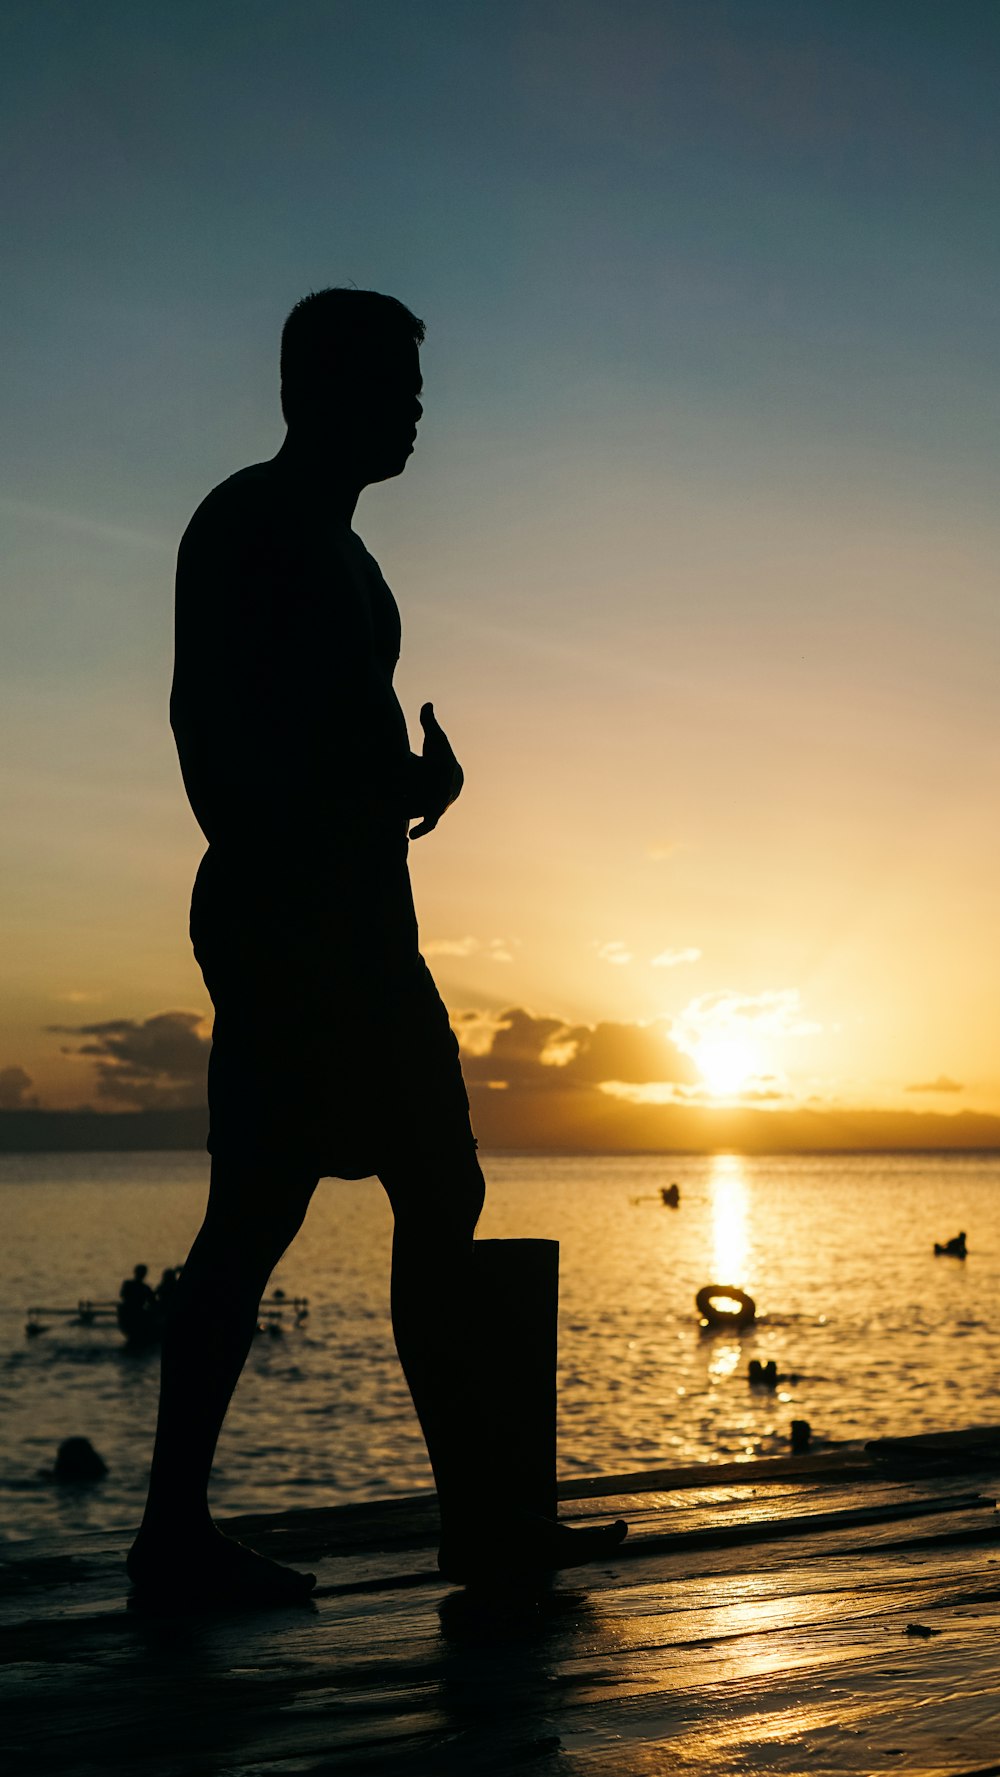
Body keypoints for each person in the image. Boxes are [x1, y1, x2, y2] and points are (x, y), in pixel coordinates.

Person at [127, 288, 626, 1605]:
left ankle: (480, 1517)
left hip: (359, 922)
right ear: (317, 388)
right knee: (264, 1212)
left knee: (422, 1190)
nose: (417, 409)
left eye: (418, 386)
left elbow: (335, 759)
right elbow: (212, 735)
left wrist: (418, 784)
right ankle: (184, 1534)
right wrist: (303, 856)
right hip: (298, 929)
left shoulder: (357, 563)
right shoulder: (248, 524)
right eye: (395, 384)